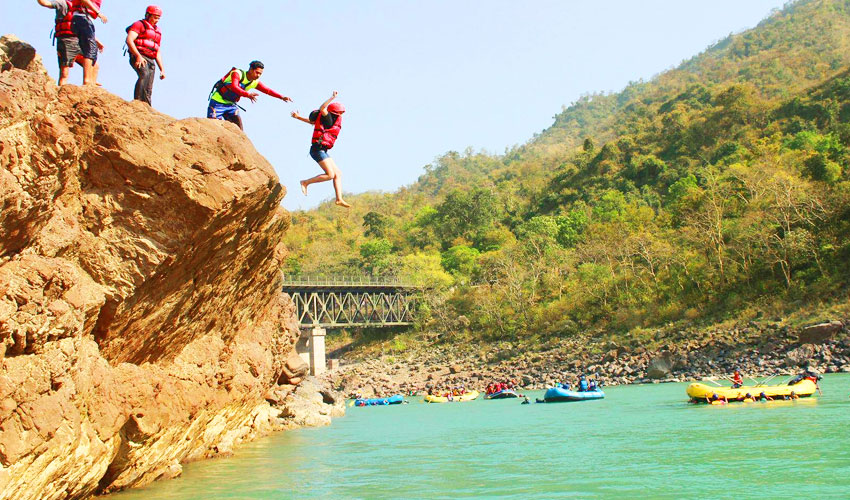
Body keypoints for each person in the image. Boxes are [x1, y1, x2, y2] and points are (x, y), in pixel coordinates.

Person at [291, 91, 351, 208]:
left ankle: (339, 199)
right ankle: (305, 182)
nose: (341, 115)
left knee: (338, 173)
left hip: (323, 150)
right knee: (330, 175)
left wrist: (298, 117)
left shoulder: (332, 120)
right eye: (340, 112)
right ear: (335, 112)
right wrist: (332, 98)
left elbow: (312, 122)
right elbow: (322, 108)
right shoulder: (327, 116)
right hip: (317, 150)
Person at [208, 61, 292, 130]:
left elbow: (267, 90)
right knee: (213, 128)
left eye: (260, 74)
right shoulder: (237, 73)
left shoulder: (254, 82)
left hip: (231, 105)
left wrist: (281, 97)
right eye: (257, 72)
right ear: (251, 69)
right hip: (217, 103)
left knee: (239, 131)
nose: (258, 75)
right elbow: (234, 87)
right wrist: (247, 94)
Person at [126, 5, 165, 105]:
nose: (157, 20)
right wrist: (138, 56)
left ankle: (147, 105)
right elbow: (129, 40)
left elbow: (157, 51)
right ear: (148, 15)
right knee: (144, 74)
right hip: (139, 56)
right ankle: (137, 102)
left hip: (151, 59)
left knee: (149, 85)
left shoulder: (157, 31)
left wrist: (162, 69)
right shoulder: (139, 25)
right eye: (155, 17)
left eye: (158, 18)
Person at [70, 0, 108, 86]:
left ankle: (91, 81)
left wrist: (96, 40)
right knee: (90, 49)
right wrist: (98, 13)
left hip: (82, 19)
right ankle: (87, 81)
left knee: (92, 52)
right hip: (82, 18)